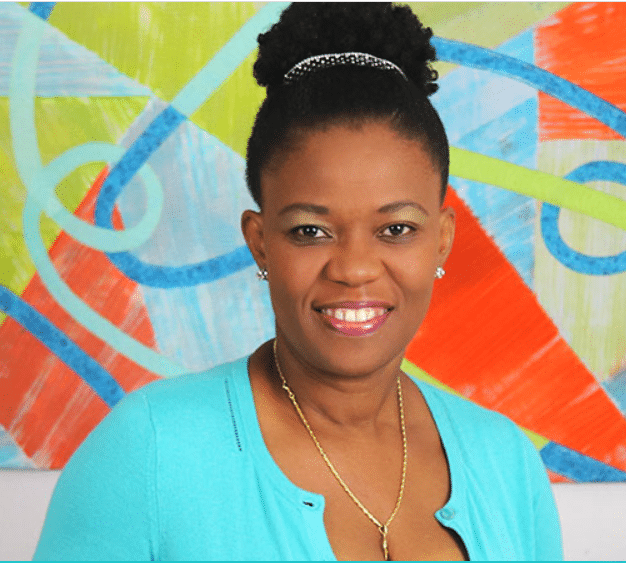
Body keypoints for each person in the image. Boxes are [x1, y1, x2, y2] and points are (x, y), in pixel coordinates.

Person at [34, 3, 562, 561]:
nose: (355, 268)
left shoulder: (505, 461)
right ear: (260, 241)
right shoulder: (149, 451)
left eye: (396, 229)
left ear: (442, 239)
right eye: (311, 230)